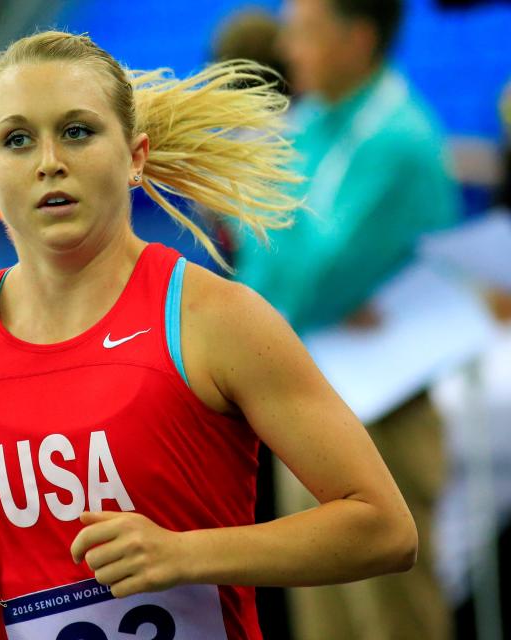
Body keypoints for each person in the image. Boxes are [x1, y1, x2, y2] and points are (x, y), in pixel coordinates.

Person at [0, 30, 418, 640]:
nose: (48, 162)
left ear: (136, 156)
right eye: (18, 140)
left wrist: (184, 554)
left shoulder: (214, 319)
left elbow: (383, 527)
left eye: (77, 131)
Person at [235, 1, 460, 639]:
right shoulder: (310, 123)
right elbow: (257, 278)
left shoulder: (401, 138)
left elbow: (308, 279)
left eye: (304, 32)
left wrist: (262, 186)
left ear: (358, 39)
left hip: (383, 407)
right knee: (322, 607)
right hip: (312, 397)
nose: (288, 48)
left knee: (391, 614)